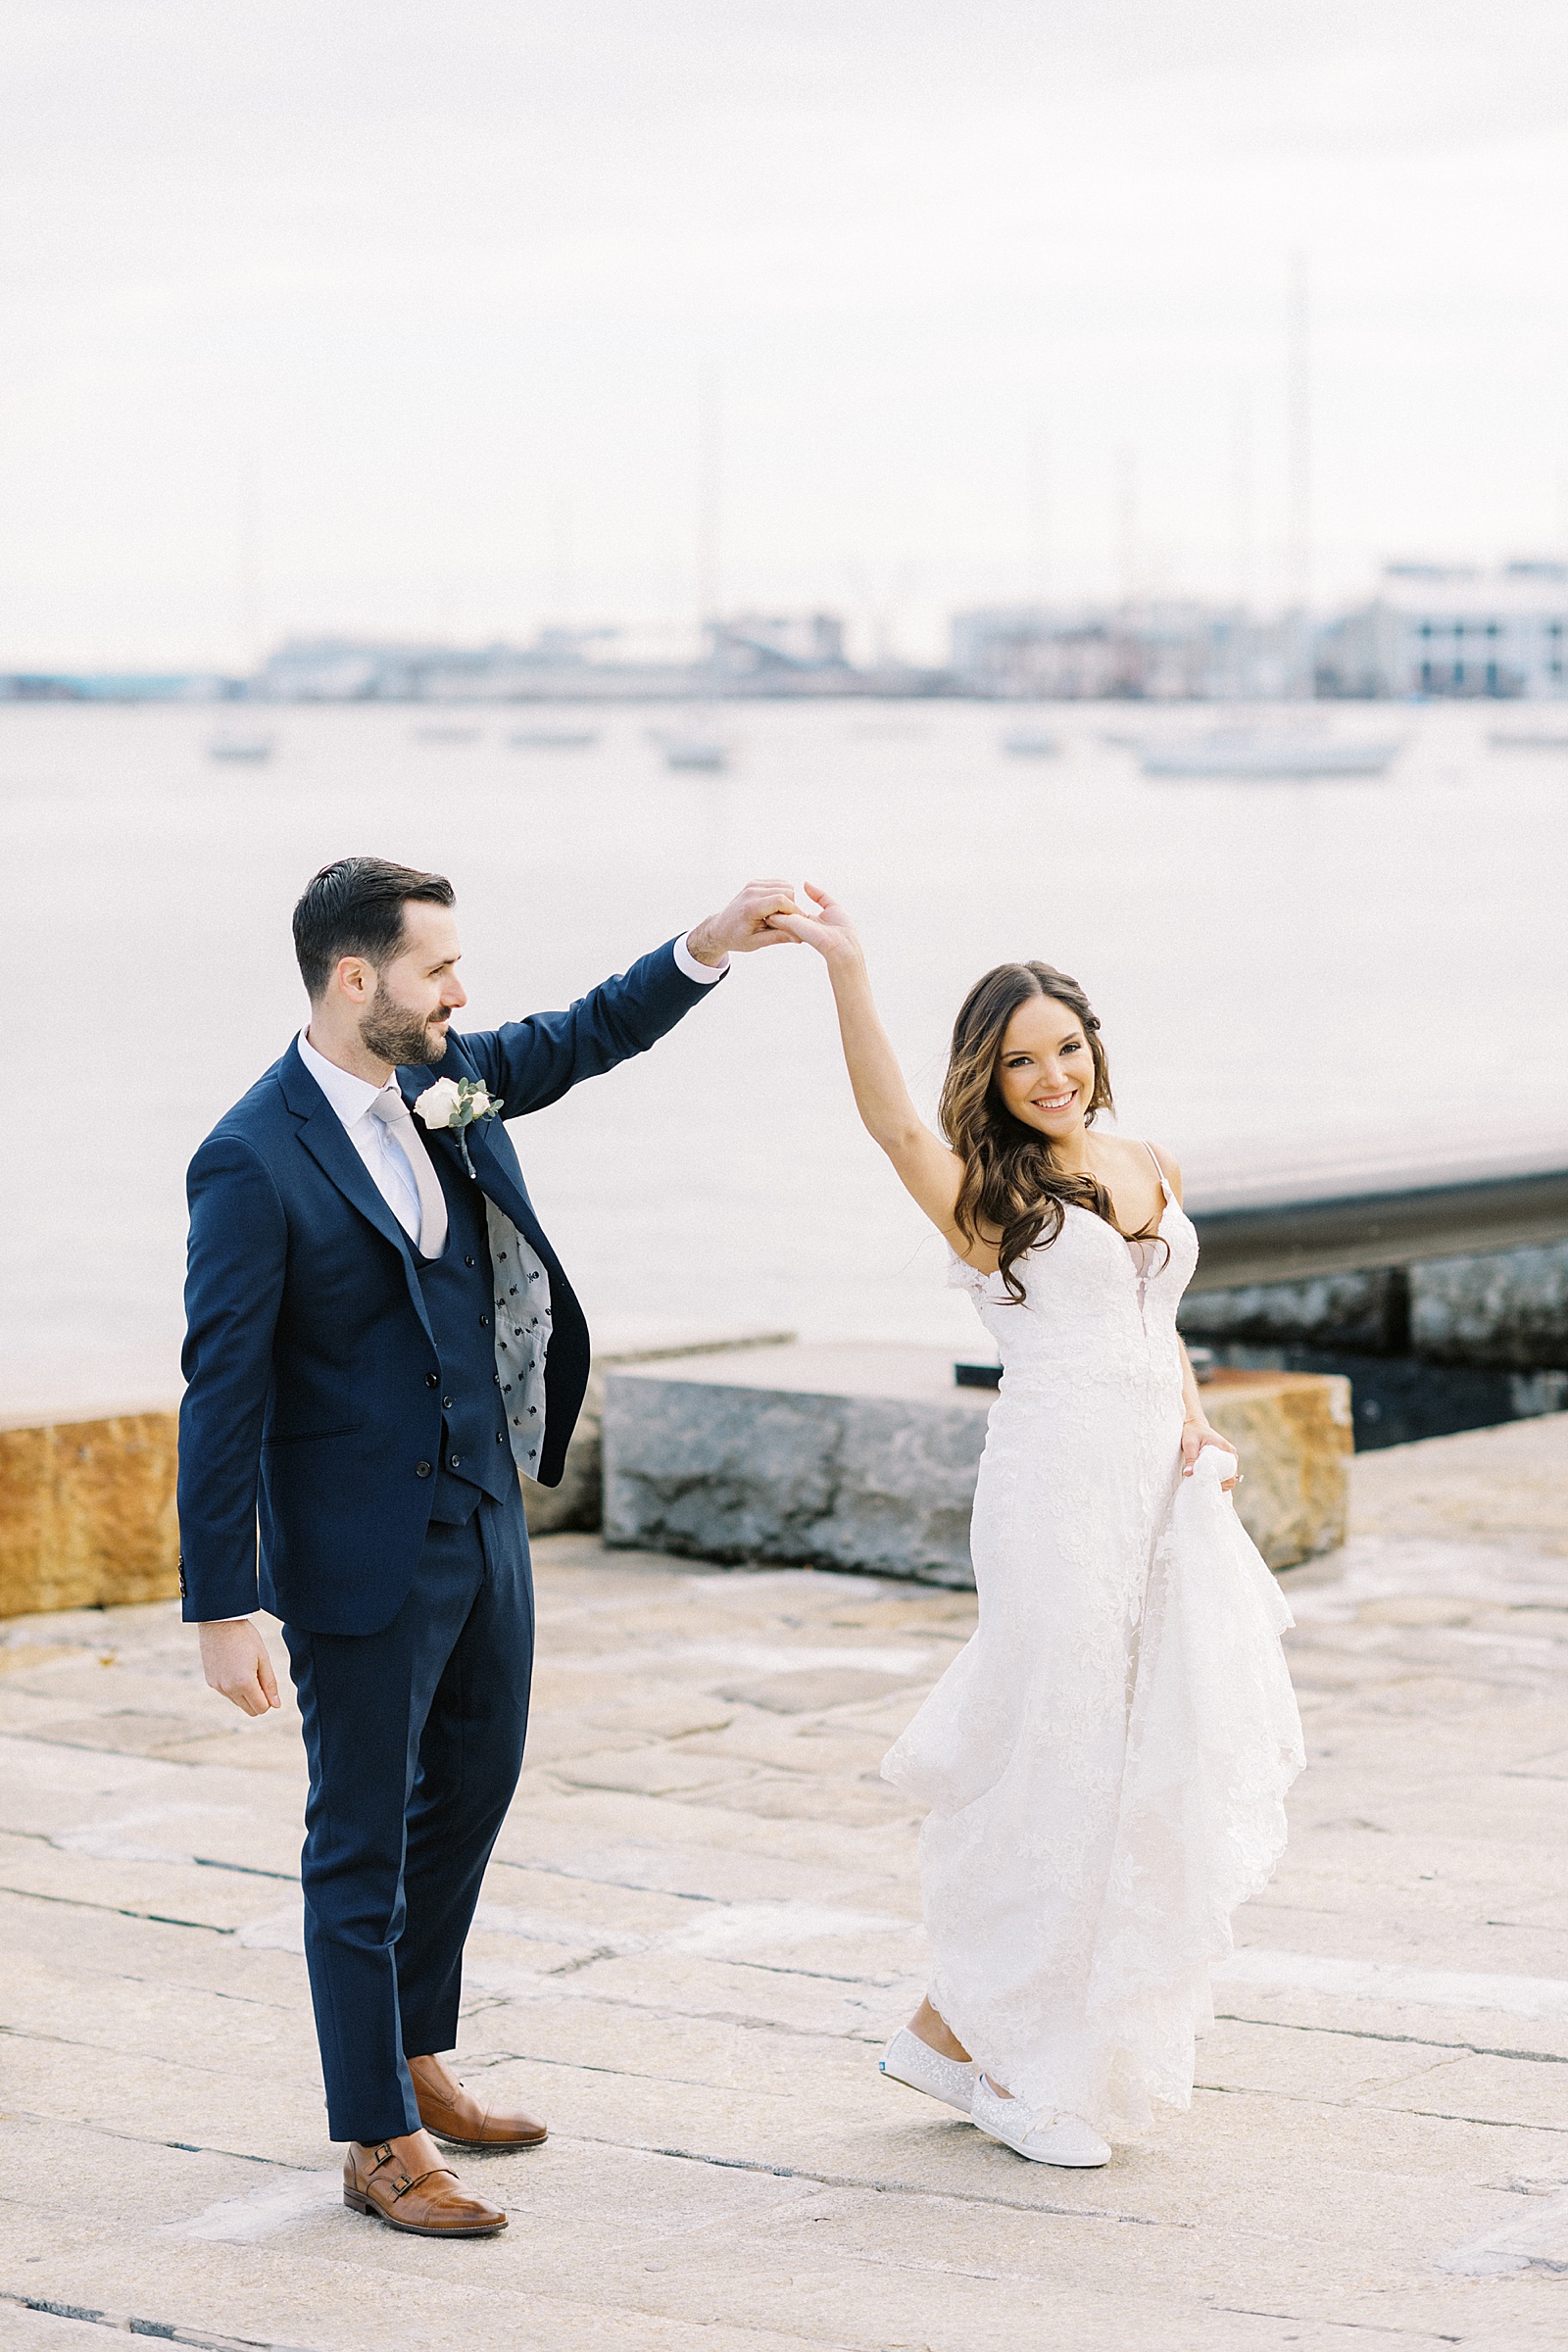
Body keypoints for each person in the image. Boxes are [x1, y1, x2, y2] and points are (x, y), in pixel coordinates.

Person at [178, 858, 801, 2238]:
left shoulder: (440, 1078)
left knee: (468, 1792)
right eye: (437, 968)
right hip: (354, 1554)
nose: (462, 992)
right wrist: (221, 1604)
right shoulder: (249, 1156)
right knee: (358, 1845)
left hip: (483, 1516)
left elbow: (587, 1035)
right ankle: (374, 2137)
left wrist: (707, 944)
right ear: (358, 981)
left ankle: (414, 2051)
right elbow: (221, 1390)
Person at [767, 885, 1303, 2169]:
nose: (1050, 1075)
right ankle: (1016, 2061)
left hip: (1152, 1488)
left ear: (1093, 1048)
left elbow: (1156, 1323)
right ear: (988, 1076)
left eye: (1065, 1048)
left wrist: (1195, 1427)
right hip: (1053, 1487)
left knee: (1131, 1747)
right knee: (1057, 1753)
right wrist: (847, 966)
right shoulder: (986, 1193)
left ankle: (950, 2028)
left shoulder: (1145, 1164)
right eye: (1019, 1059)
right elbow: (893, 1119)